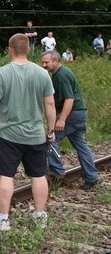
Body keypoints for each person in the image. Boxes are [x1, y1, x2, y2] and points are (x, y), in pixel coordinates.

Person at [0, 33, 56, 231]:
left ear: (10, 50)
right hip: (35, 135)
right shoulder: (42, 74)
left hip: (9, 135)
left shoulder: (1, 73)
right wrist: (50, 129)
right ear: (29, 50)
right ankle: (40, 216)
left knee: (6, 175)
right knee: (39, 175)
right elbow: (49, 102)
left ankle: (4, 219)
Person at [41, 50, 102, 190]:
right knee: (81, 145)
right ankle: (92, 177)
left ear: (55, 61)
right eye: (43, 62)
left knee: (51, 139)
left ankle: (56, 172)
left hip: (72, 114)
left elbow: (69, 99)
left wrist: (61, 119)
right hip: (79, 113)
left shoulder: (61, 76)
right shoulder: (60, 73)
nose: (44, 65)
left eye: (46, 62)